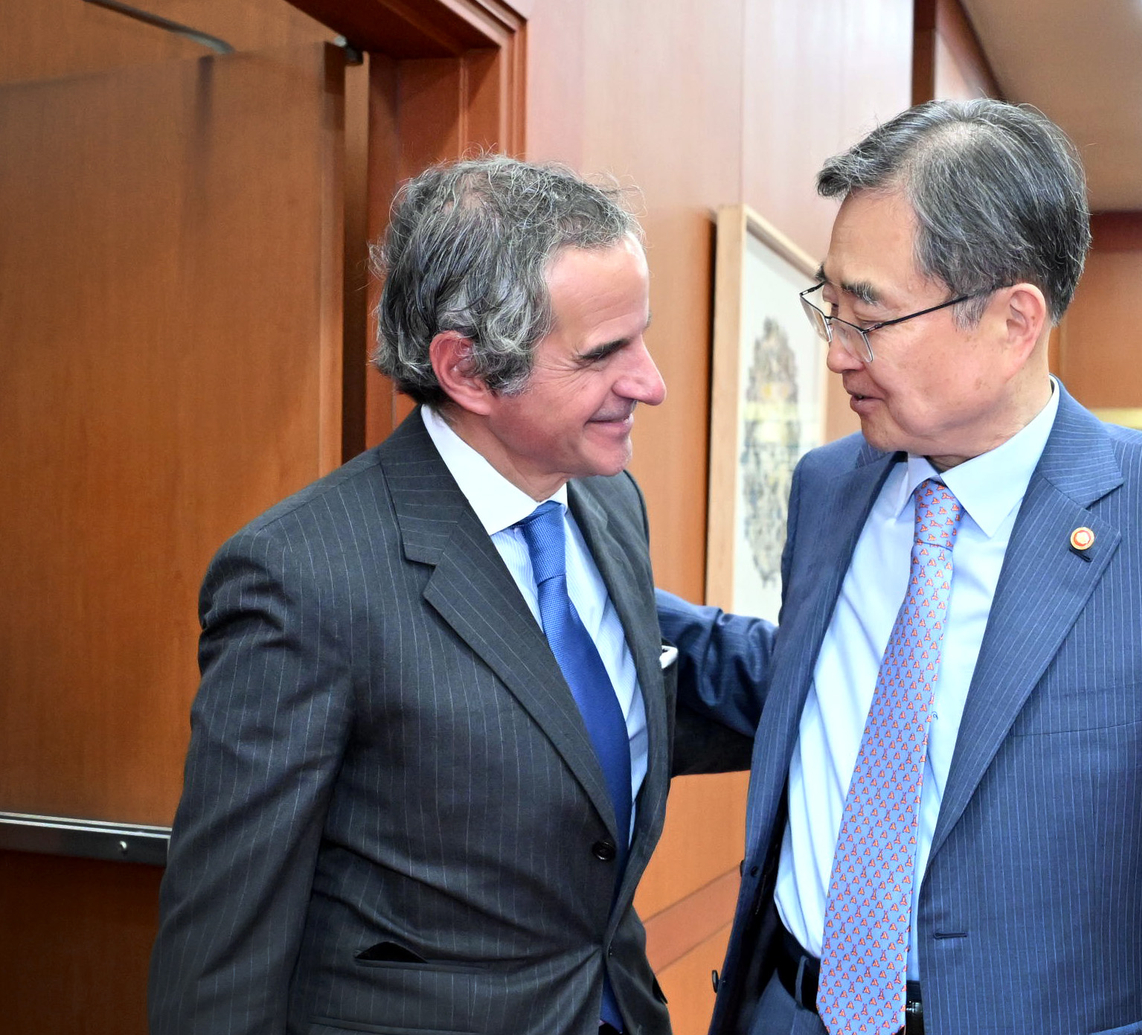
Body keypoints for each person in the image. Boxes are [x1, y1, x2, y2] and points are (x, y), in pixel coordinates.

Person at [661, 98, 1142, 1035]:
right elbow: (810, 687)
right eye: (828, 307)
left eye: (869, 316)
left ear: (1012, 321)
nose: (836, 351)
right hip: (787, 1008)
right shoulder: (829, 486)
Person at [149, 156, 761, 1035]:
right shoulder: (303, 576)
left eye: (641, 336)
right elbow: (223, 945)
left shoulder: (605, 501)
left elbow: (602, 699)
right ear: (468, 370)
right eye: (602, 354)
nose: (650, 382)